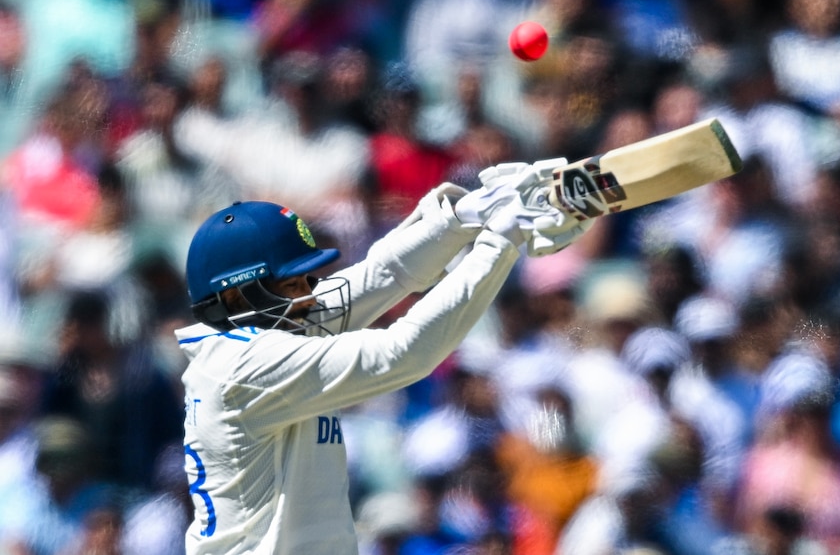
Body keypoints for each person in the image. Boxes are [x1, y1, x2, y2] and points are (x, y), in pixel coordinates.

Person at [174, 159, 595, 553]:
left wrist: (464, 217)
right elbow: (402, 353)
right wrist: (500, 241)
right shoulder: (246, 366)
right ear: (233, 294)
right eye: (291, 285)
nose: (309, 296)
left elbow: (383, 274)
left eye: (307, 279)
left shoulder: (261, 330)